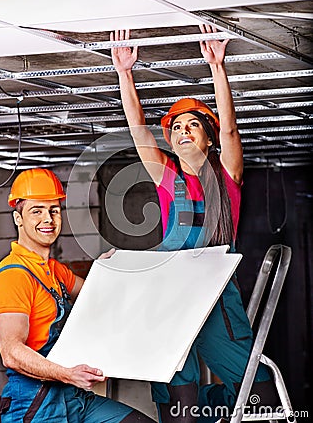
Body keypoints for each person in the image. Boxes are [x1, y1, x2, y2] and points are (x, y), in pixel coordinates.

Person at [111, 27, 278, 422]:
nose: (184, 131)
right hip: (172, 300)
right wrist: (124, 74)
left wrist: (217, 67)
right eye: (177, 128)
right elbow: (138, 130)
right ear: (170, 141)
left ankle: (215, 407)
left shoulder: (227, 177)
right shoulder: (167, 178)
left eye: (194, 126)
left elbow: (232, 130)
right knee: (178, 405)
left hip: (219, 298)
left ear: (209, 139)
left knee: (257, 391)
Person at [0, 168, 155, 423]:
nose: (48, 219)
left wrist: (107, 271)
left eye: (54, 210)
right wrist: (67, 374)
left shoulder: (54, 271)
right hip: (36, 405)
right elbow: (12, 353)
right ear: (18, 218)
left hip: (74, 398)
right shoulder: (13, 277)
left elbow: (96, 295)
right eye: (36, 211)